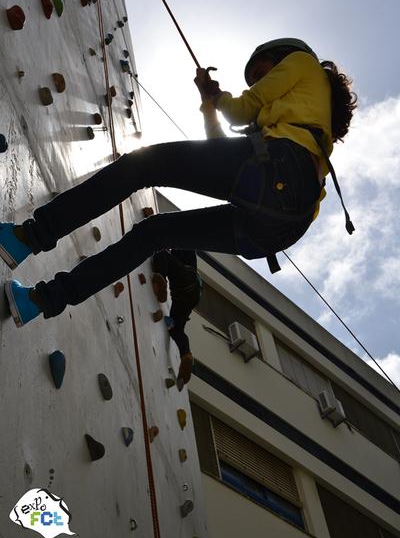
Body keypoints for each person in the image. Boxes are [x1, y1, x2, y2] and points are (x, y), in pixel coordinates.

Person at [0, 37, 357, 331]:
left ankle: (27, 237)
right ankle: (40, 301)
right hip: (283, 224)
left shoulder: (302, 63)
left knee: (145, 165)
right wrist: (209, 103)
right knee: (154, 234)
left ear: (281, 57)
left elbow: (240, 111)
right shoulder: (303, 125)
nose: (259, 84)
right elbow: (221, 148)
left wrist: (221, 99)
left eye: (261, 74)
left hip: (275, 174)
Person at [151, 249, 202, 390]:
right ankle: (186, 354)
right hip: (188, 296)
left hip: (186, 282)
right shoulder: (188, 246)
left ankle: (160, 281)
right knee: (175, 328)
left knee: (160, 253)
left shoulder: (182, 241)